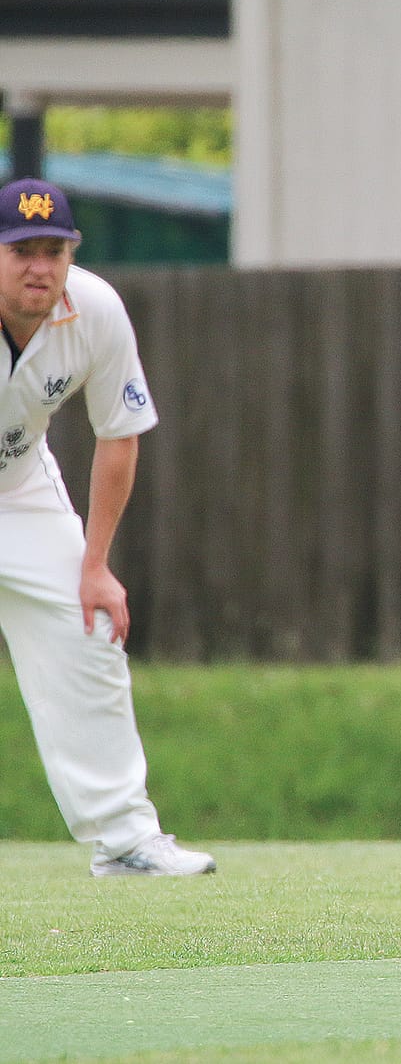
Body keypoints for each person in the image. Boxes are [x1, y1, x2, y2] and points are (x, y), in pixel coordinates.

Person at [0, 179, 215, 878]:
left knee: (88, 626)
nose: (39, 267)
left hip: (17, 489)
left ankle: (125, 842)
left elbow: (119, 435)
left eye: (53, 250)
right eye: (21, 251)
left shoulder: (94, 309)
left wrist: (94, 567)